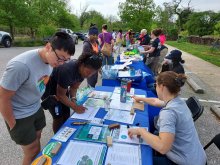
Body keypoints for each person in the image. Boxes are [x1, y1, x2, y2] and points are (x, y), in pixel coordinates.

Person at [0, 31, 75, 165]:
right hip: (20, 114)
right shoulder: (20, 66)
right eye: (60, 58)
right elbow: (2, 98)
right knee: (32, 150)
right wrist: (13, 125)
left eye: (66, 59)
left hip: (36, 108)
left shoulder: (51, 62)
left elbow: (40, 82)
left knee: (38, 141)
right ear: (48, 47)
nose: (62, 63)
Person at [129, 71, 207, 165]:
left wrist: (141, 131)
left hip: (184, 162)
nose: (155, 88)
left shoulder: (169, 113)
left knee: (138, 160)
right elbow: (155, 101)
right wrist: (141, 99)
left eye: (156, 85)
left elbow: (163, 147)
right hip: (196, 156)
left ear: (162, 87)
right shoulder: (178, 101)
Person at [42, 52, 102, 133]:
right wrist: (75, 107)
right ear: (82, 64)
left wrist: (74, 101)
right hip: (50, 90)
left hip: (62, 87)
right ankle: (57, 136)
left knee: (66, 113)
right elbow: (60, 95)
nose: (89, 75)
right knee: (58, 116)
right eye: (88, 72)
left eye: (92, 73)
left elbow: (74, 88)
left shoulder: (83, 72)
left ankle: (64, 133)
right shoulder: (67, 70)